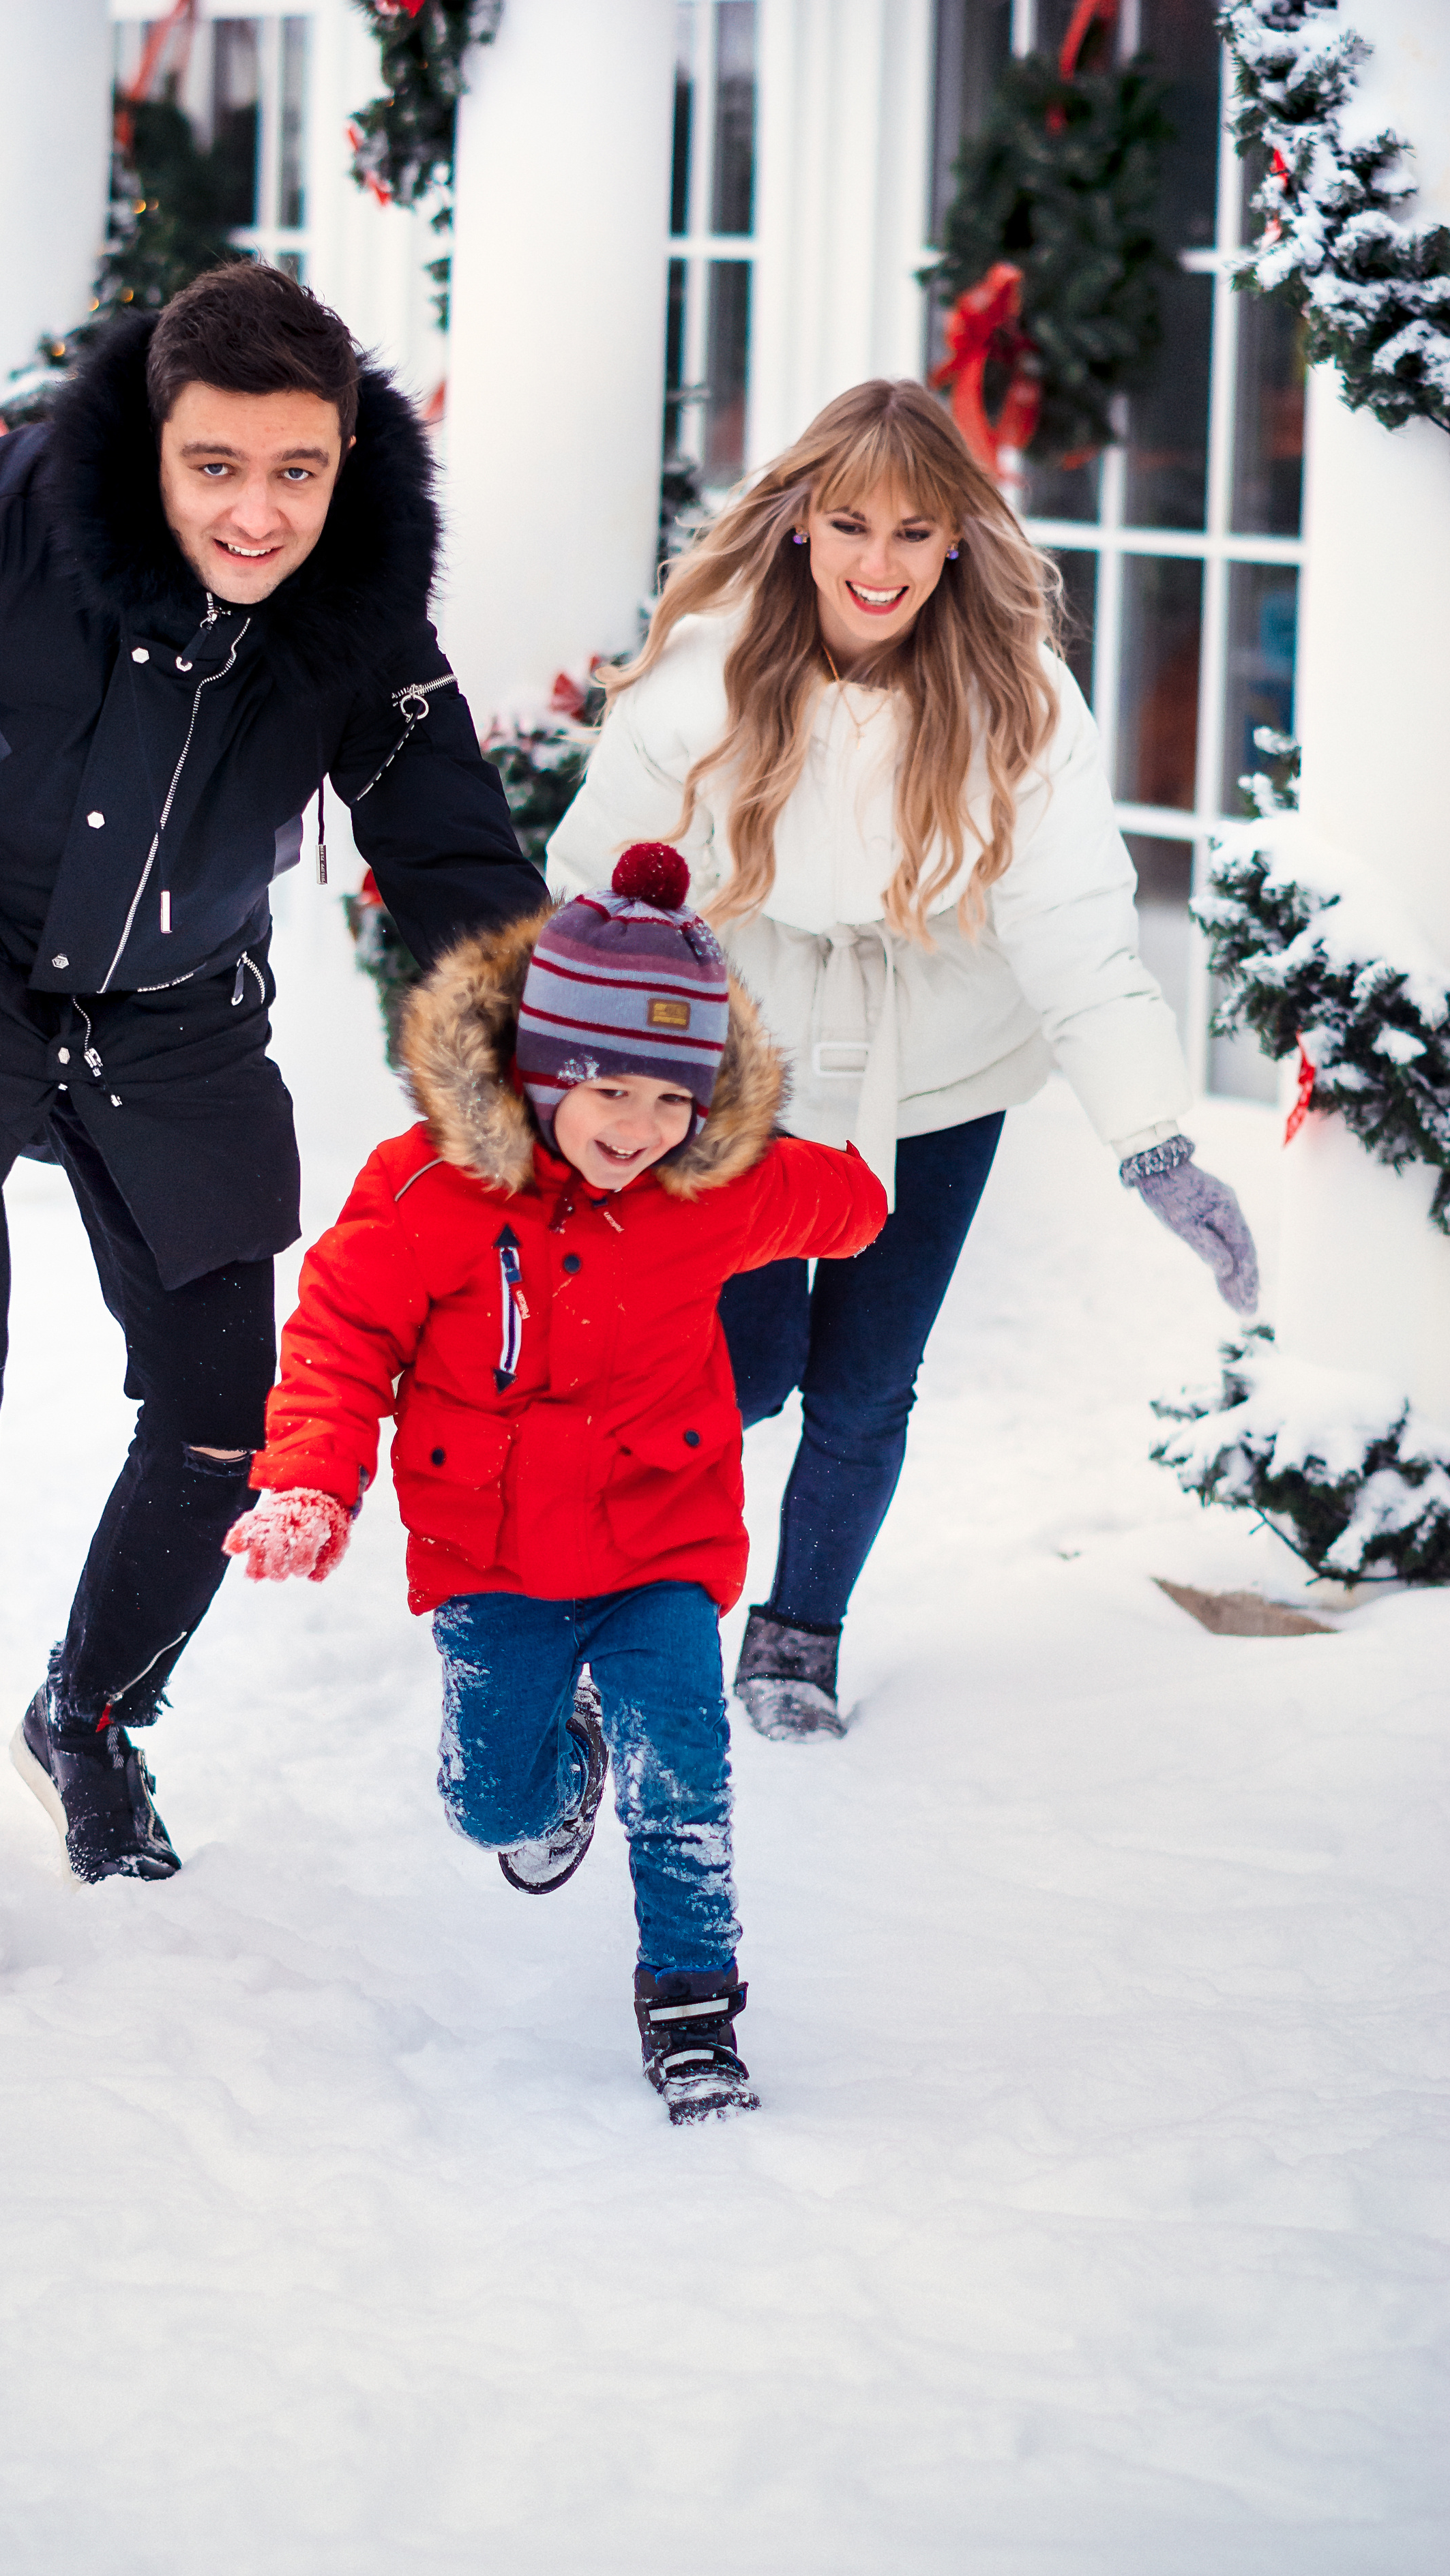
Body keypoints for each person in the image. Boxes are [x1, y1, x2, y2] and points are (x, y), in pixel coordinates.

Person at [0, 261, 544, 1876]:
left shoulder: (358, 596)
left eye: (297, 471)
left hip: (173, 998)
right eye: (215, 465)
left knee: (227, 1409)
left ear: (346, 460)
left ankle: (89, 1716)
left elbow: (447, 842)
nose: (257, 514)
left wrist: (544, 1087)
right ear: (153, 440)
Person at [546, 379, 1259, 1742]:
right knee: (733, 1367)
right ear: (800, 523)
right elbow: (597, 889)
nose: (880, 564)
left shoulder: (1016, 698)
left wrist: (1153, 1140)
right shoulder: (706, 676)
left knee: (867, 1380)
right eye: (852, 526)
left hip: (936, 1067)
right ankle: (615, 1608)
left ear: (956, 541)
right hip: (742, 1064)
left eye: (915, 532)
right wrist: (571, 1078)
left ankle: (796, 1639)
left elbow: (1074, 925)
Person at [224, 843, 885, 2120]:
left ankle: (693, 2012)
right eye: (611, 1090)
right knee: (488, 1805)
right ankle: (564, 1771)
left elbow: (848, 1204)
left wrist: (842, 1167)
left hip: (660, 1544)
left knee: (683, 1772)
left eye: (674, 1098)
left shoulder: (711, 1186)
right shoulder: (428, 1189)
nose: (641, 1128)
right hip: (493, 1560)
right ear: (540, 1067)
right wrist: (311, 1475)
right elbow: (341, 1338)